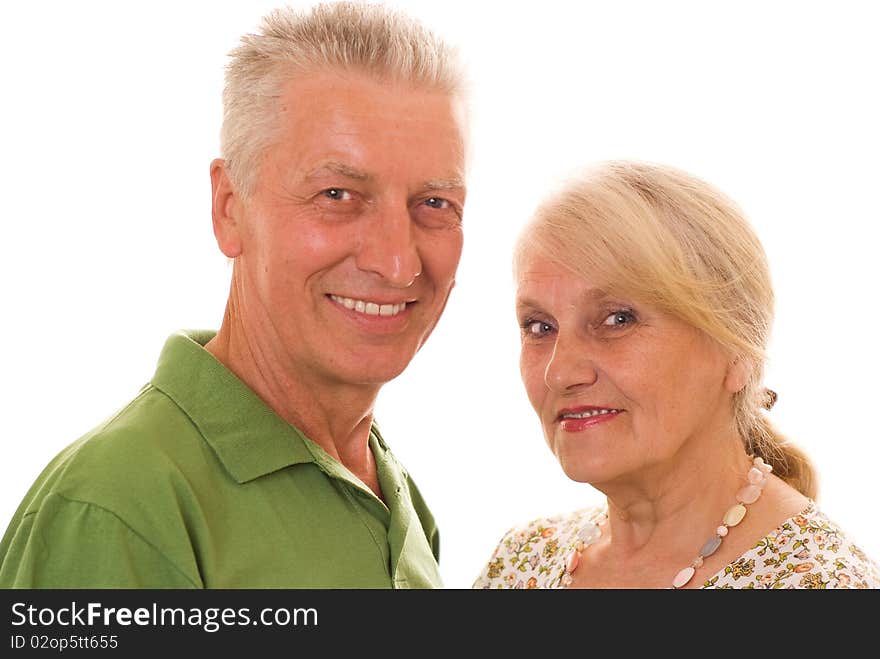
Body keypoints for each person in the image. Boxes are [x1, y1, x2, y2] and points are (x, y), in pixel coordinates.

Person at [0, 2, 468, 588]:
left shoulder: (395, 494)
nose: (398, 263)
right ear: (229, 208)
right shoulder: (115, 508)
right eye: (338, 194)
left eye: (434, 205)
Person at [473, 160, 880, 589]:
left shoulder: (818, 584)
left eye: (617, 319)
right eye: (540, 327)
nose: (560, 372)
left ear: (736, 350)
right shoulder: (522, 561)